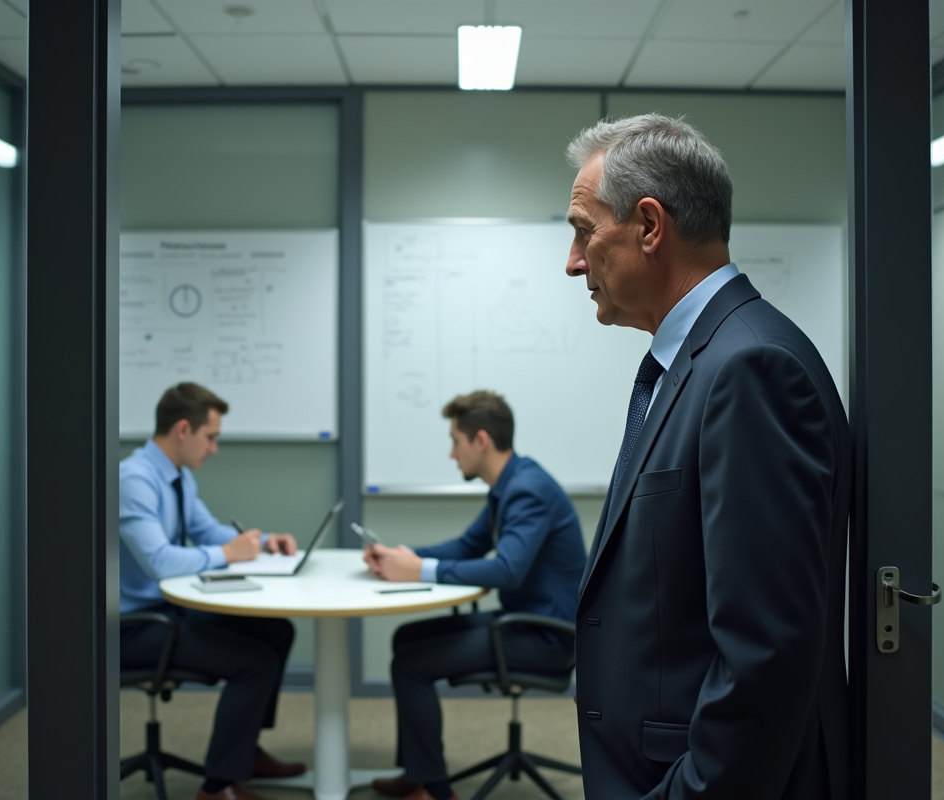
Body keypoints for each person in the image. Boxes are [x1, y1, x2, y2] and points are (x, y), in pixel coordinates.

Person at [563, 114, 852, 800]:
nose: (573, 261)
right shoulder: (699, 360)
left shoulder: (750, 367)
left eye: (583, 230)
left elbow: (765, 660)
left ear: (650, 227)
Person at [364, 391, 587, 800]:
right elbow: (467, 546)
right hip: (523, 623)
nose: (452, 453)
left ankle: (433, 790)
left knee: (412, 663)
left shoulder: (527, 490)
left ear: (480, 440)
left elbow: (507, 570)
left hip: (547, 637)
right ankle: (418, 771)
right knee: (406, 639)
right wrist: (406, 557)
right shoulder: (509, 484)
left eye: (455, 441)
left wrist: (418, 570)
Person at [119, 382, 306, 800]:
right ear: (183, 429)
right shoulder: (134, 480)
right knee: (253, 662)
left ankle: (246, 753)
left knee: (275, 632)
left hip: (167, 613)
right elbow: (161, 561)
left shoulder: (178, 476)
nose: (214, 449)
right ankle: (218, 787)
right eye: (211, 437)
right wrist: (227, 553)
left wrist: (264, 541)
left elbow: (207, 531)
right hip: (130, 627)